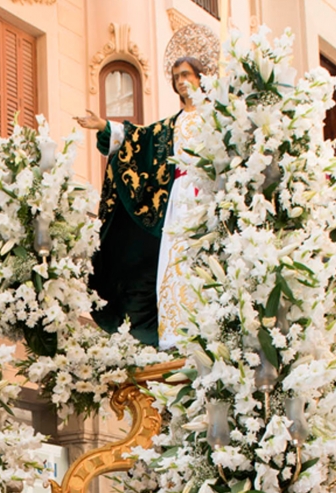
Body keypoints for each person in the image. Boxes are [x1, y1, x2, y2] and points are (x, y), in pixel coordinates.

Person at [74, 42, 217, 349]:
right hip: (178, 200)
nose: (181, 81)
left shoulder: (217, 118)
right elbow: (140, 137)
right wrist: (105, 126)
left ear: (200, 77)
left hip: (208, 195)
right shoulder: (171, 126)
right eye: (176, 77)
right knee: (174, 263)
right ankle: (176, 334)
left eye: (186, 74)